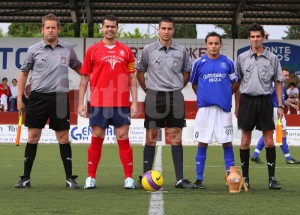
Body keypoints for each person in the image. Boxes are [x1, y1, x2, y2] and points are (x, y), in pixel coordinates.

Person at [15, 14, 82, 189]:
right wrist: (20, 97)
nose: (50, 30)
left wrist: (95, 79)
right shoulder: (33, 49)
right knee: (32, 136)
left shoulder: (67, 48)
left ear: (58, 29)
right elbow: (23, 74)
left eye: (53, 27)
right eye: (47, 27)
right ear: (42, 29)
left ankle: (69, 178)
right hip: (37, 98)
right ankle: (25, 178)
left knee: (63, 137)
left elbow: (79, 67)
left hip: (60, 98)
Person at [78, 14, 138, 189]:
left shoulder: (126, 51)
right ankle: (91, 178)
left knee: (123, 138)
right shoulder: (93, 50)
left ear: (117, 28)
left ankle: (128, 178)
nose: (110, 29)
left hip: (121, 103)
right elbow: (84, 79)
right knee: (96, 138)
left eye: (113, 26)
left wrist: (134, 102)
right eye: (107, 26)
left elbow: (132, 78)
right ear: (102, 28)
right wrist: (81, 102)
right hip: (98, 102)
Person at [136, 17, 193, 189]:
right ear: (158, 30)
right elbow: (140, 72)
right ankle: (145, 178)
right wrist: (148, 90)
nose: (166, 31)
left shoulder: (181, 51)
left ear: (174, 30)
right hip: (154, 96)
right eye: (163, 28)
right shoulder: (148, 50)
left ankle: (179, 179)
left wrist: (176, 88)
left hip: (175, 97)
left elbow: (186, 73)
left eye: (169, 28)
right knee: (151, 137)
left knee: (175, 137)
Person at [235, 23, 283, 190]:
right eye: (252, 36)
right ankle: (245, 178)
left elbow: (277, 83)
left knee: (269, 141)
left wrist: (280, 105)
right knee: (245, 140)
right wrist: (237, 106)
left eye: (258, 36)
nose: (255, 39)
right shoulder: (242, 58)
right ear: (249, 38)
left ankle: (272, 179)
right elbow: (238, 83)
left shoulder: (273, 58)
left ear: (263, 37)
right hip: (247, 102)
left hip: (265, 102)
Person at [189, 32, 239, 189]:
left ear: (220, 45)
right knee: (202, 142)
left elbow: (235, 83)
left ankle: (230, 178)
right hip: (204, 110)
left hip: (223, 109)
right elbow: (194, 84)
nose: (213, 46)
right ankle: (199, 179)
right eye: (210, 43)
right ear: (206, 45)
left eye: (216, 43)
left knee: (227, 142)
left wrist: (224, 95)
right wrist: (204, 97)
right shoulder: (199, 63)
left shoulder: (228, 62)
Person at [251, 68, 300, 164]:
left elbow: (280, 100)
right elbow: (268, 97)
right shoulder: (275, 85)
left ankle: (255, 155)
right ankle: (288, 158)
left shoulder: (281, 85)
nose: (287, 77)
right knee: (282, 133)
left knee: (269, 133)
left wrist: (290, 104)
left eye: (288, 75)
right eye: (285, 75)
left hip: (275, 109)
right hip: (276, 111)